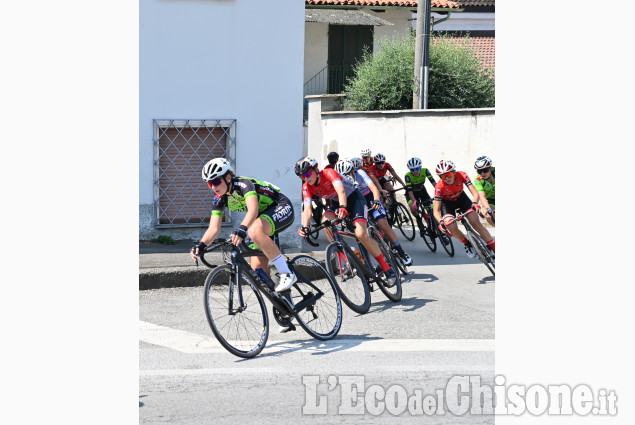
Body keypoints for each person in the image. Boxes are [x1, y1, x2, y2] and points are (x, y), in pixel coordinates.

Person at [189, 158, 297, 292]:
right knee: (258, 271)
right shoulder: (219, 199)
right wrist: (201, 245)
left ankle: (287, 273)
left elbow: (253, 210)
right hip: (261, 218)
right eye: (209, 183)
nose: (213, 187)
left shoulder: (243, 184)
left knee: (254, 230)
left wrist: (241, 228)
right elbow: (213, 228)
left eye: (216, 181)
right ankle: (285, 303)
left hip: (280, 206)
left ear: (228, 177)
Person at [295, 156, 398, 286]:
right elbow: (307, 208)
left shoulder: (329, 173)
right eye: (302, 177)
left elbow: (341, 191)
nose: (306, 178)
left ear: (316, 169)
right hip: (336, 203)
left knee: (361, 234)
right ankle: (347, 255)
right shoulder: (307, 187)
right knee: (325, 223)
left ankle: (387, 269)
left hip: (354, 199)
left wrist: (343, 207)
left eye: (308, 173)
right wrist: (304, 227)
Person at [337, 158, 413, 266]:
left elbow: (373, 188)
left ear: (353, 170)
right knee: (361, 233)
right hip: (357, 202)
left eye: (348, 173)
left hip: (370, 198)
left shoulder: (360, 173)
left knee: (383, 223)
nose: (347, 177)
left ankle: (401, 251)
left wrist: (377, 200)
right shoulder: (342, 181)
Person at [432, 160, 495, 258]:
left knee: (476, 224)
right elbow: (436, 210)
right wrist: (440, 222)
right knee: (450, 225)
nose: (447, 178)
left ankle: (494, 248)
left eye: (449, 174)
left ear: (454, 171)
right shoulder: (439, 187)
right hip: (447, 204)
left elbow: (475, 193)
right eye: (443, 176)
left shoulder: (462, 175)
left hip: (462, 199)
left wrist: (475, 203)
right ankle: (467, 244)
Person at [404, 157, 437, 238]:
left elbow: (434, 183)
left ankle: (433, 225)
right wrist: (414, 201)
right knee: (413, 207)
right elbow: (410, 191)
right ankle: (418, 219)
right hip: (411, 194)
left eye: (417, 168)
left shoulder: (425, 171)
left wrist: (439, 193)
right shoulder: (407, 176)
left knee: (431, 210)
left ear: (420, 167)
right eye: (412, 170)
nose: (415, 171)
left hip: (422, 191)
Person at [473, 156, 495, 227]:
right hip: (490, 200)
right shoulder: (478, 180)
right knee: (488, 215)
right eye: (479, 171)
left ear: (491, 168)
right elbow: (482, 197)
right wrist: (488, 209)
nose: (482, 173)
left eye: (485, 170)